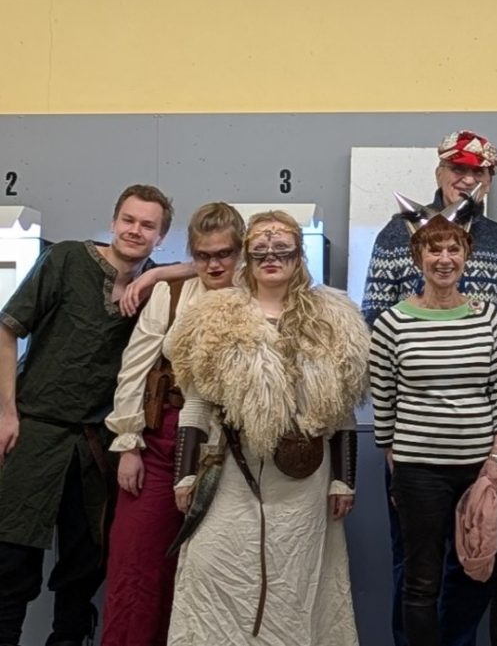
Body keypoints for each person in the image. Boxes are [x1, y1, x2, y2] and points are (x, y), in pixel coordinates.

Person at [362, 130, 497, 646]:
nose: (466, 178)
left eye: (478, 171)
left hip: (488, 440)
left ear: (490, 179)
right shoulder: (396, 235)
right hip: (416, 447)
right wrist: (392, 444)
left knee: (481, 558)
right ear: (438, 172)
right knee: (416, 566)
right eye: (457, 168)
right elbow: (373, 326)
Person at [166, 210, 367, 646]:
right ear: (247, 257)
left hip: (305, 479)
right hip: (231, 473)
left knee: (294, 583)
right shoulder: (213, 316)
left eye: (282, 250)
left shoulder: (334, 319)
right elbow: (196, 403)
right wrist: (185, 474)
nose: (271, 258)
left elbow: (342, 409)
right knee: (214, 568)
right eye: (260, 251)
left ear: (299, 256)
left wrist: (343, 480)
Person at [0, 184, 173, 646]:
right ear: (113, 221)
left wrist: (157, 275)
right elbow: (7, 328)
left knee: (83, 567)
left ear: (161, 237)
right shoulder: (67, 260)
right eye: (128, 220)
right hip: (37, 431)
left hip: (97, 447)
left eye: (148, 226)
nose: (135, 231)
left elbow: (218, 264)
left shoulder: (158, 288)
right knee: (11, 561)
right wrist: (6, 413)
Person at [101, 202, 246, 646]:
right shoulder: (173, 293)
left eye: (224, 254)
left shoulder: (258, 292)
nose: (214, 265)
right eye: (203, 255)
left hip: (237, 446)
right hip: (162, 440)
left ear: (240, 252)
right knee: (137, 565)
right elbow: (134, 369)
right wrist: (129, 443)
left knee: (221, 574)